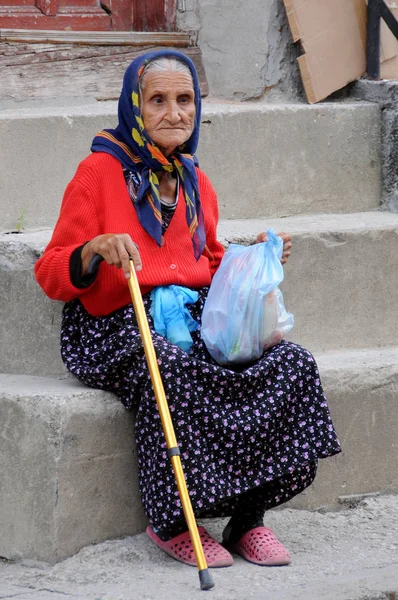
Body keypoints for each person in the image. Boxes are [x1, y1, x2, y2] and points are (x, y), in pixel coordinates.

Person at [35, 49, 341, 569]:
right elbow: (51, 270)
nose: (175, 113)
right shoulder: (97, 172)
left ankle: (249, 519)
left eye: (184, 100)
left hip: (194, 318)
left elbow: (211, 261)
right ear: (135, 106)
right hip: (116, 322)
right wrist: (94, 250)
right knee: (169, 371)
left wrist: (257, 257)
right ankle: (174, 520)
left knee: (289, 363)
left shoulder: (195, 179)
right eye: (158, 100)